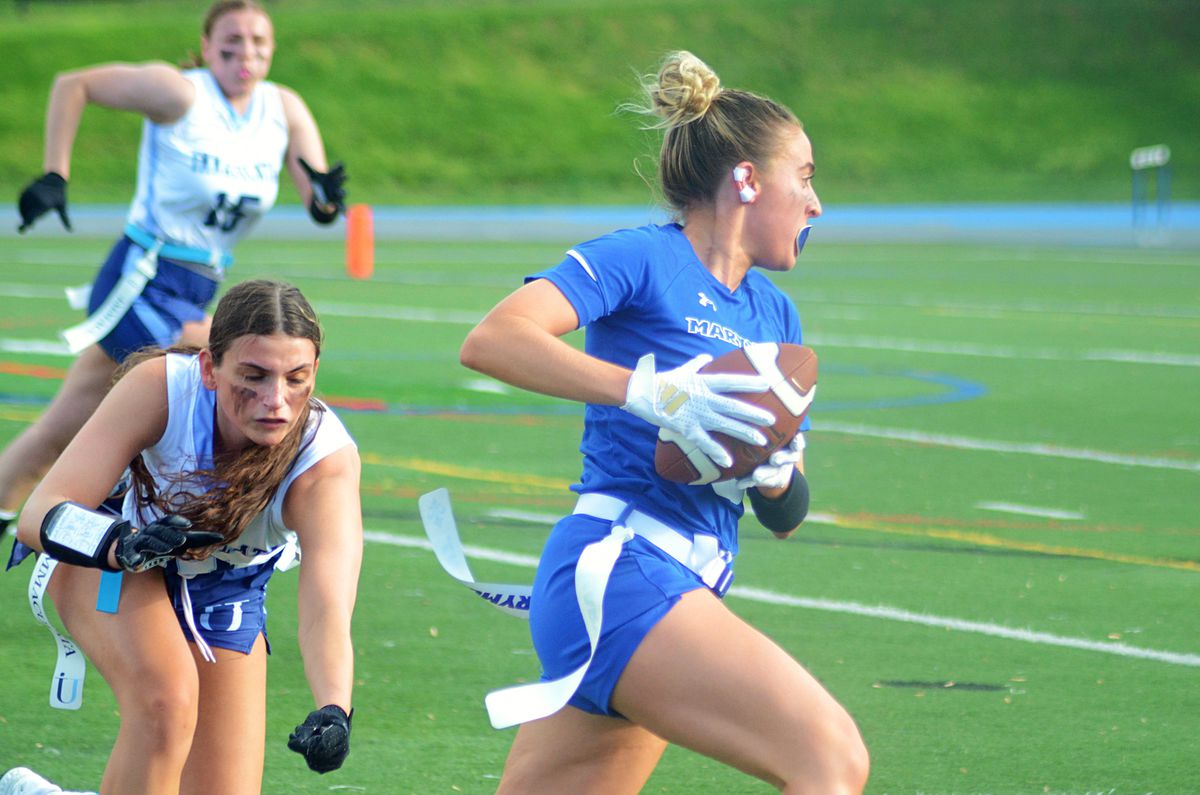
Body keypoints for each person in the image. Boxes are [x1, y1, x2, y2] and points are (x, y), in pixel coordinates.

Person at [456, 51, 868, 793]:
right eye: (803, 176)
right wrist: (649, 392)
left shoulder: (776, 313)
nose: (816, 204)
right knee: (830, 756)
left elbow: (790, 514)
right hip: (621, 570)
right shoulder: (644, 257)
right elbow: (493, 339)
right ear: (746, 179)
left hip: (680, 581)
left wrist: (771, 470)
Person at [1, 0, 347, 548]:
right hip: (140, 279)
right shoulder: (181, 94)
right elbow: (74, 84)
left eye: (258, 43)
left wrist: (328, 200)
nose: (244, 55)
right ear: (207, 47)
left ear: (272, 49)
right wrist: (54, 173)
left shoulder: (283, 108)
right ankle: (183, 540)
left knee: (56, 431)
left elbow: (317, 197)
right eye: (230, 43)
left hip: (198, 286)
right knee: (232, 369)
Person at [10, 279, 363, 794]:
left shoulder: (322, 461)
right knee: (167, 705)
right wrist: (117, 545)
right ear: (209, 368)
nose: (276, 401)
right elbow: (39, 513)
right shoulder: (162, 387)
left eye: (296, 378)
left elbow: (327, 608)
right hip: (109, 564)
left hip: (227, 592)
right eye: (254, 375)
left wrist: (334, 708)